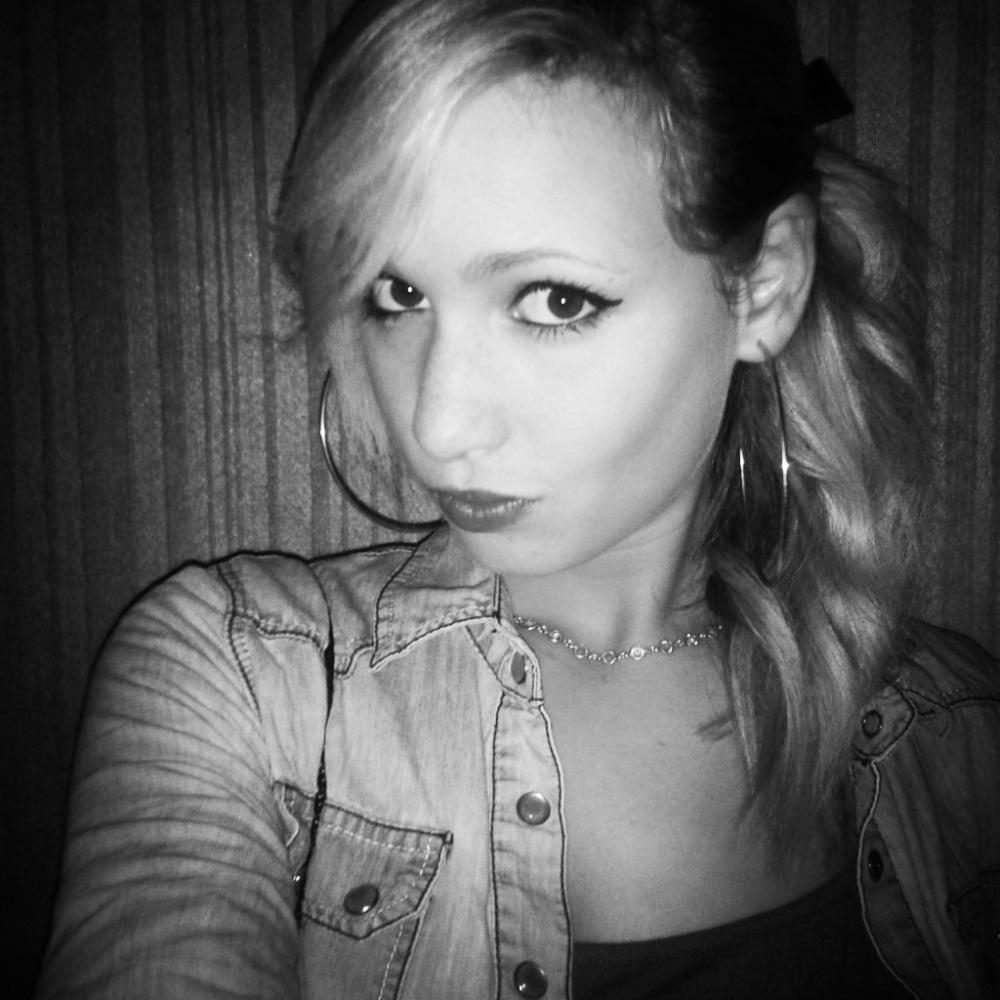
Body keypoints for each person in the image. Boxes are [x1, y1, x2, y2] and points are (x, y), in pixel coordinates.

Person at [36, 1, 1000, 998]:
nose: (438, 422)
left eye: (553, 300)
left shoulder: (961, 733)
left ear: (763, 286)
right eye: (397, 295)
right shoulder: (242, 682)